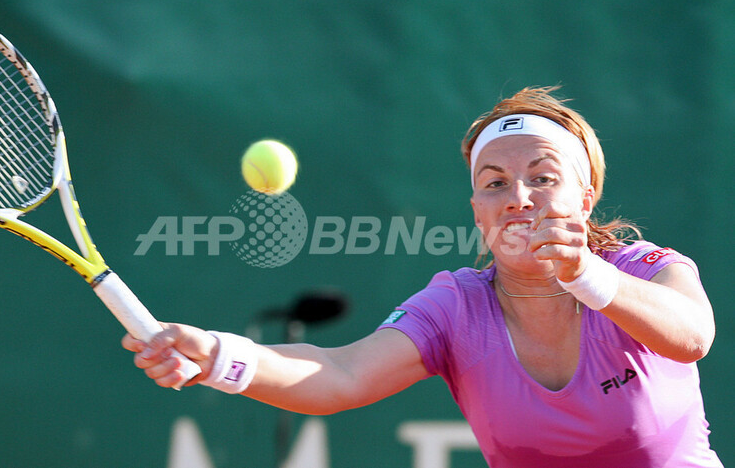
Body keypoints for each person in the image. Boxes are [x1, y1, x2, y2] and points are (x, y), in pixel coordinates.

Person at [122, 86, 722, 467]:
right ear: (478, 213)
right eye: (494, 183)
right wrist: (219, 356)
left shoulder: (644, 270)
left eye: (543, 177)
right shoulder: (457, 307)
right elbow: (341, 374)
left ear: (585, 199)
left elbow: (692, 336)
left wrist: (586, 274)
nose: (518, 196)